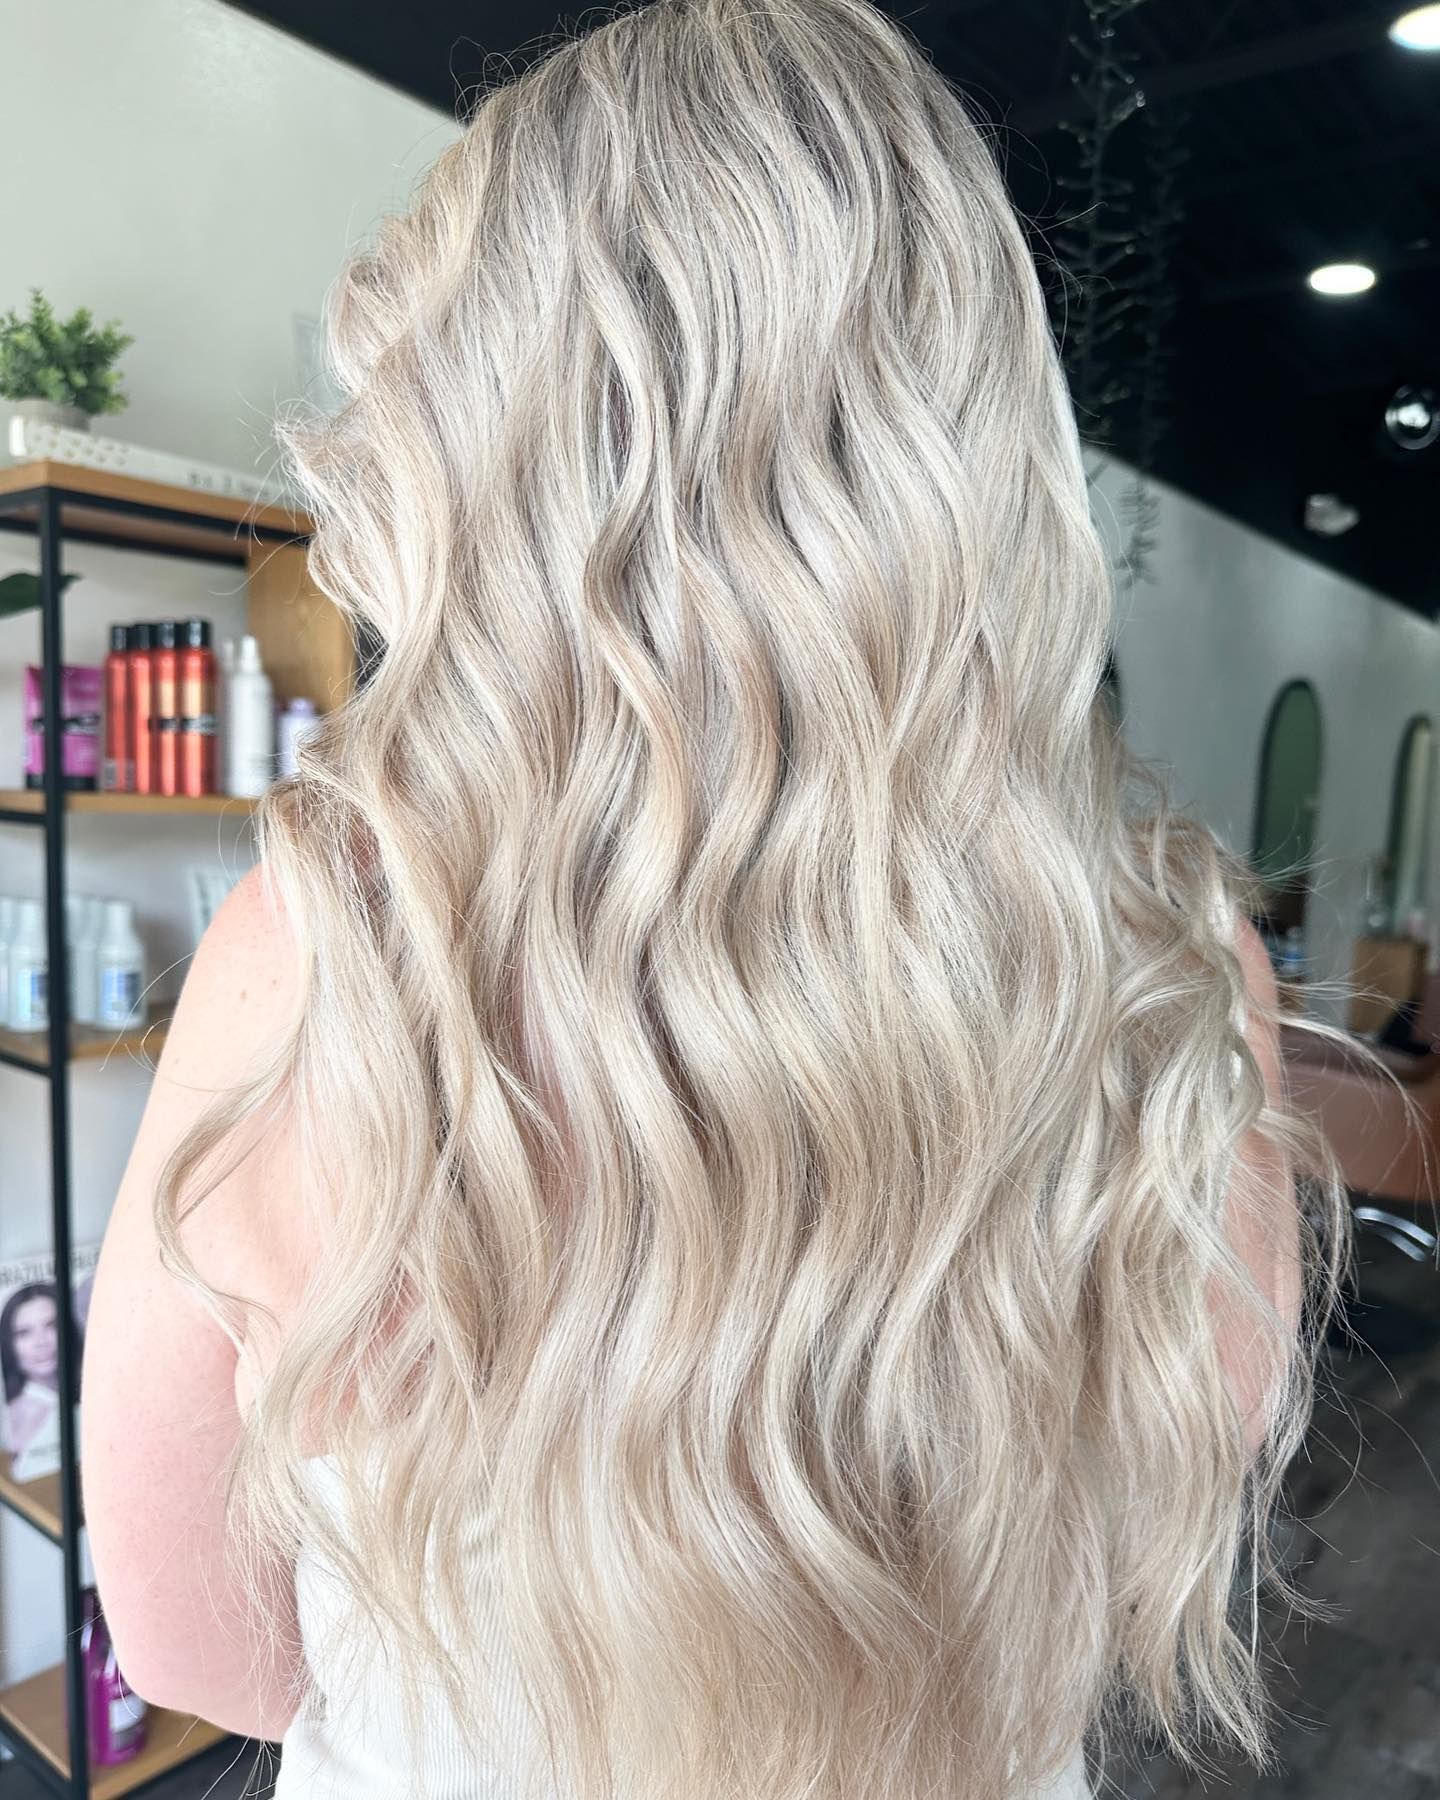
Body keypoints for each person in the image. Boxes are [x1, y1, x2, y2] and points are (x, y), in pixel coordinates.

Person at [80, 1, 1349, 1795]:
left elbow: (194, 1641)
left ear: (481, 440)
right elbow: (1159, 1517)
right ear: (964, 448)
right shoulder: (1160, 969)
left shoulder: (324, 954)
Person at [1, 1281, 81, 1465]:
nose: (41, 1342)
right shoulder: (16, 1421)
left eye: (51, 1325)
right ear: (9, 1344)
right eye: (24, 1333)